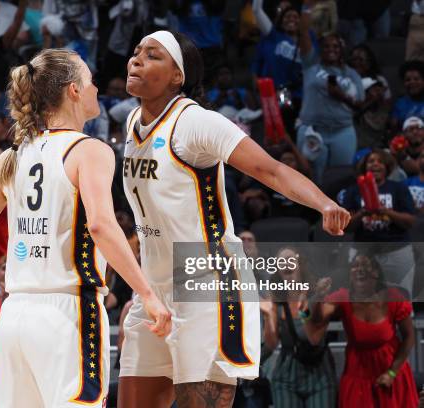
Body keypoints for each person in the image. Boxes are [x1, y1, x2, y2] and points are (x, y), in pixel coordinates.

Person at [118, 30, 350, 407]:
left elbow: (271, 171)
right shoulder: (132, 122)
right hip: (154, 286)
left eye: (153, 55)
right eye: (136, 52)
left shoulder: (197, 122)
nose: (137, 60)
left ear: (178, 75)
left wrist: (323, 203)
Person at [0, 48, 171, 407]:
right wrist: (148, 295)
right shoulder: (90, 150)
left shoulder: (11, 156)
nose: (96, 91)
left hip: (14, 318)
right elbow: (102, 226)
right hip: (68, 315)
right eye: (90, 83)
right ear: (73, 90)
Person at [306, 253, 419, 408]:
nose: (360, 269)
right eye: (355, 266)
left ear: (376, 273)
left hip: (391, 372)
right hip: (357, 376)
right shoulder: (342, 296)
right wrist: (319, 296)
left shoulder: (393, 297)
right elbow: (317, 319)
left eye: (366, 265)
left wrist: (392, 373)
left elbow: (409, 337)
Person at [297, 0, 364, 183]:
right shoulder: (311, 64)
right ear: (320, 49)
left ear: (342, 50)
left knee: (340, 177)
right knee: (312, 178)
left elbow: (360, 105)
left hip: (342, 131)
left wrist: (340, 95)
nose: (331, 50)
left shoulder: (352, 74)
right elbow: (302, 32)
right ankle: (313, 212)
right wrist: (307, 7)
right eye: (326, 46)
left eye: (335, 47)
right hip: (313, 128)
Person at [263, 247, 336, 407]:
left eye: (290, 259)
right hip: (287, 371)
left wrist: (305, 306)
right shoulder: (276, 302)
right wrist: (269, 315)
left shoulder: (318, 296)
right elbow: (272, 343)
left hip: (318, 371)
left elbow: (314, 338)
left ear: (299, 266)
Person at [342, 149, 417, 295]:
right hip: (364, 251)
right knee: (362, 299)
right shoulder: (353, 191)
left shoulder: (399, 188)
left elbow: (410, 221)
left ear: (387, 167)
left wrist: (386, 212)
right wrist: (363, 213)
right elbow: (345, 226)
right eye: (371, 161)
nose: (375, 164)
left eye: (380, 161)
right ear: (364, 166)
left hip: (396, 250)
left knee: (400, 298)